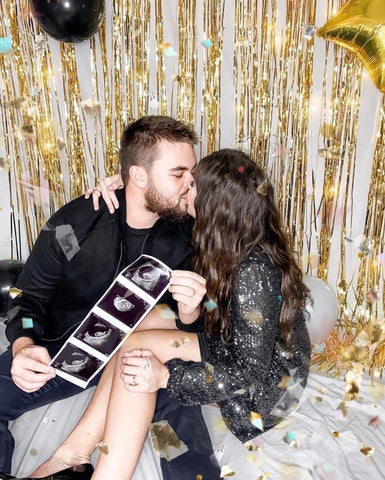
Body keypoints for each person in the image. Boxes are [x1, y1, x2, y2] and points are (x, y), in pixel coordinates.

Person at [31, 148, 311, 479]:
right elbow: (220, 309)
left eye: (191, 184)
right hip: (227, 336)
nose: (183, 189)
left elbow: (249, 372)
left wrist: (166, 377)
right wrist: (127, 184)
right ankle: (73, 454)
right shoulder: (226, 234)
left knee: (139, 354)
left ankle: (97, 469)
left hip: (261, 390)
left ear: (214, 203)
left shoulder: (254, 269)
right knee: (133, 330)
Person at [0, 116, 220, 479]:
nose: (190, 185)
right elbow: (27, 297)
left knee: (182, 428)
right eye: (178, 175)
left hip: (141, 355)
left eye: (192, 174)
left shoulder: (190, 233)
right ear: (138, 176)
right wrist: (24, 345)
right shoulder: (76, 224)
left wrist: (191, 311)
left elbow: (204, 319)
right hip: (64, 354)